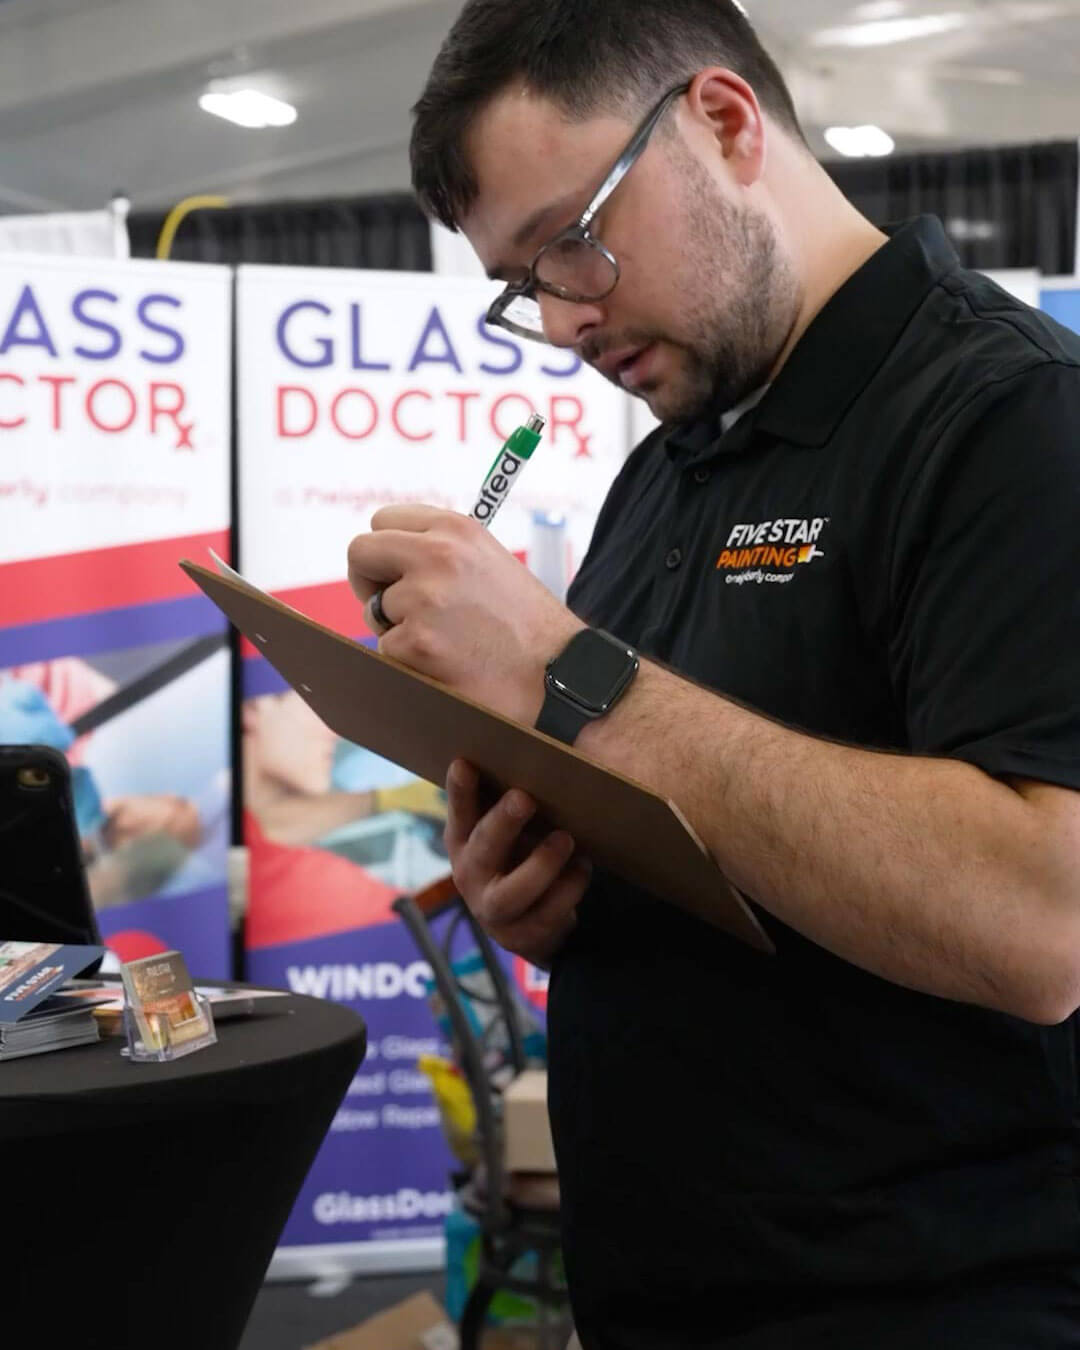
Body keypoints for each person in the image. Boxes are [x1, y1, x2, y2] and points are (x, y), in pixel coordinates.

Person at [346, 3, 1080, 1345]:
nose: (564, 319)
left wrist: (567, 672)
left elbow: (1047, 920)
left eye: (572, 241)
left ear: (726, 124)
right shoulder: (664, 468)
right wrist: (549, 888)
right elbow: (705, 815)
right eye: (523, 284)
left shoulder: (1011, 418)